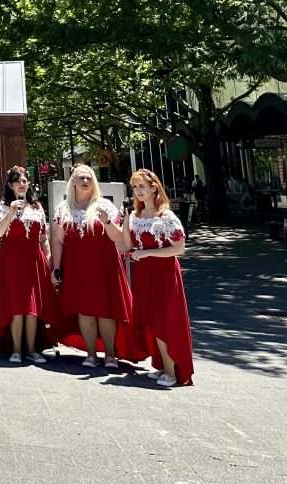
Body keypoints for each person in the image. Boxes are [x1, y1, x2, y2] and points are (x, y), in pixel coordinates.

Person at [51, 164, 141, 369]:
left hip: (104, 266)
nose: (85, 181)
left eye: (89, 178)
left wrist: (107, 222)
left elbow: (118, 238)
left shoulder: (104, 206)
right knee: (85, 311)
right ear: (72, 181)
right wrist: (56, 267)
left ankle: (110, 355)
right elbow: (57, 240)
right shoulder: (63, 209)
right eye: (81, 178)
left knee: (106, 311)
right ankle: (91, 354)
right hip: (77, 267)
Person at [124, 169, 194, 387]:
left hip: (164, 273)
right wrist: (125, 222)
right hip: (145, 273)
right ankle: (163, 366)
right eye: (134, 187)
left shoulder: (166, 216)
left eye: (141, 186)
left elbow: (179, 248)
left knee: (163, 320)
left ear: (154, 187)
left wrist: (148, 253)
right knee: (151, 319)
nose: (137, 192)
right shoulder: (136, 215)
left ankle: (172, 373)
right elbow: (129, 247)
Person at [0, 166, 57, 363]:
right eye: (17, 181)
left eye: (24, 181)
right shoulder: (3, 206)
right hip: (12, 261)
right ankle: (16, 350)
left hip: (33, 260)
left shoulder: (37, 208)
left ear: (28, 185)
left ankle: (32, 349)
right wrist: (10, 212)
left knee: (32, 307)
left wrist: (50, 259)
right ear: (10, 185)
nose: (21, 184)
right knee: (17, 306)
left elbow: (44, 237)